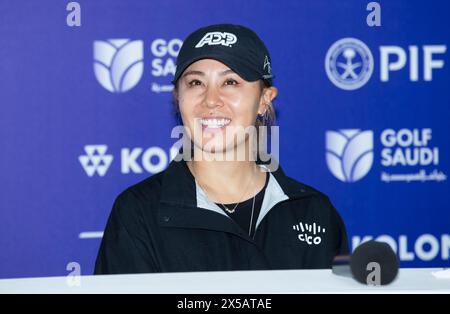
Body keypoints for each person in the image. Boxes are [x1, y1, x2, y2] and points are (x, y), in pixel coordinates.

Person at [94, 24, 349, 275]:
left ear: (264, 100)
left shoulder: (314, 212)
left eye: (230, 82)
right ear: (178, 98)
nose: (211, 100)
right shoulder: (138, 213)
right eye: (195, 82)